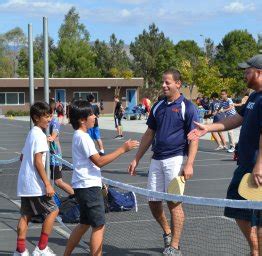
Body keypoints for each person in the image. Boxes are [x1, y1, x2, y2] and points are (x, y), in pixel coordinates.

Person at [188, 54, 262, 256]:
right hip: (246, 164)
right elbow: (236, 119)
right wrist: (208, 128)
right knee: (237, 206)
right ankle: (255, 250)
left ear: (259, 72)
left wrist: (259, 165)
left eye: (247, 71)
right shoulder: (254, 96)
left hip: (257, 168)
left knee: (258, 214)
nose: (244, 74)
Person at [128, 69, 199, 256]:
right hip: (156, 159)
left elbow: (194, 138)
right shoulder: (158, 106)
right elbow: (149, 134)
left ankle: (174, 246)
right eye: (163, 82)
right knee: (153, 202)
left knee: (174, 203)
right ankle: (167, 232)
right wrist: (136, 158)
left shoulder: (187, 107)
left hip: (175, 159)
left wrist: (189, 163)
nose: (163, 85)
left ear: (178, 83)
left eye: (167, 82)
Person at [64, 100, 139, 256]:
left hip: (84, 186)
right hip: (88, 188)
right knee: (98, 225)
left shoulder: (80, 136)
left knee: (84, 223)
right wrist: (123, 149)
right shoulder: (83, 138)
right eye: (91, 114)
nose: (94, 116)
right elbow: (99, 161)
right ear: (82, 119)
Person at [13, 102, 59, 256]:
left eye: (50, 115)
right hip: (35, 184)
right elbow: (38, 161)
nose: (49, 119)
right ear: (36, 117)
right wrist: (47, 184)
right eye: (46, 116)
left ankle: (20, 251)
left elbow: (22, 157)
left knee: (25, 215)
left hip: (25, 182)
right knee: (53, 210)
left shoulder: (32, 133)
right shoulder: (39, 135)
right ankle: (41, 248)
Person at [48, 99, 74, 195]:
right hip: (44, 156)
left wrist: (52, 137)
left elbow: (55, 132)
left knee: (58, 181)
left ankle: (76, 197)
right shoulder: (43, 122)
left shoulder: (54, 121)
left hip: (54, 157)